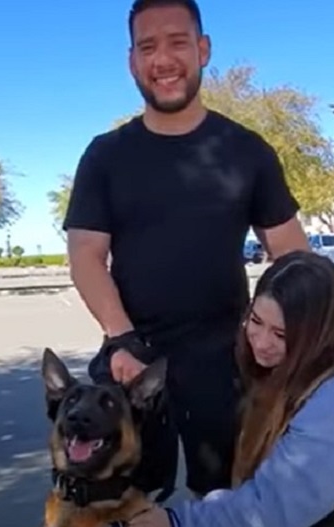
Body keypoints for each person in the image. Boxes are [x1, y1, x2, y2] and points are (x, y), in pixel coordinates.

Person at [62, 0, 310, 500]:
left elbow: (295, 260)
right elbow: (86, 256)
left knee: (225, 507)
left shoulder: (247, 152)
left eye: (178, 42)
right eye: (148, 46)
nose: (163, 59)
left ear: (203, 49)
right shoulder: (105, 156)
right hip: (130, 358)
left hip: (227, 363)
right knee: (109, 511)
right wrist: (121, 339)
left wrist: (301, 339)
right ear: (132, 61)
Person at [128, 250, 334, 527]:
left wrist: (179, 524)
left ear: (316, 337)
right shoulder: (277, 365)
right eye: (256, 320)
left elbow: (270, 512)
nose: (261, 342)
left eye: (281, 334)